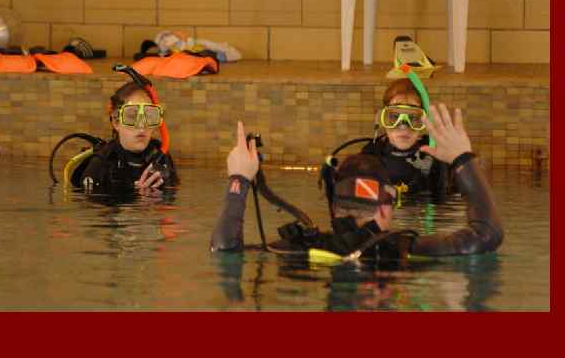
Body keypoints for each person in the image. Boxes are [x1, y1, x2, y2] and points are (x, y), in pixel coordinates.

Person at [211, 104, 503, 261]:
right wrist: (462, 158)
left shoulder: (297, 249)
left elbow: (224, 251)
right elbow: (486, 236)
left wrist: (239, 179)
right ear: (386, 207)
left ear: (333, 207)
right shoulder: (402, 251)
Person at [69, 81, 178, 193]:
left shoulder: (160, 155)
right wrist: (138, 195)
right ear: (116, 122)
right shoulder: (101, 164)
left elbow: (172, 193)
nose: (141, 125)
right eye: (131, 116)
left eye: (149, 116)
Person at [362, 78, 450, 198]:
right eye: (394, 117)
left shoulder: (437, 156)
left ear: (425, 121)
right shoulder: (369, 155)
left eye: (413, 118)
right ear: (381, 119)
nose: (403, 126)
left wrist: (463, 158)